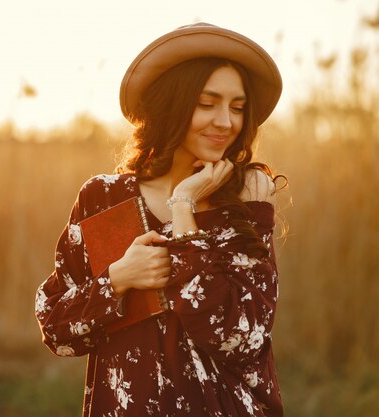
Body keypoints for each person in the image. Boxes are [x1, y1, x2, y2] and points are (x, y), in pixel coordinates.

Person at [35, 22, 286, 417]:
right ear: (172, 103)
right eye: (207, 103)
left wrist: (183, 204)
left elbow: (240, 338)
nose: (225, 121)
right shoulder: (104, 198)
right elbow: (57, 329)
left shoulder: (243, 204)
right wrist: (118, 279)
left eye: (237, 108)